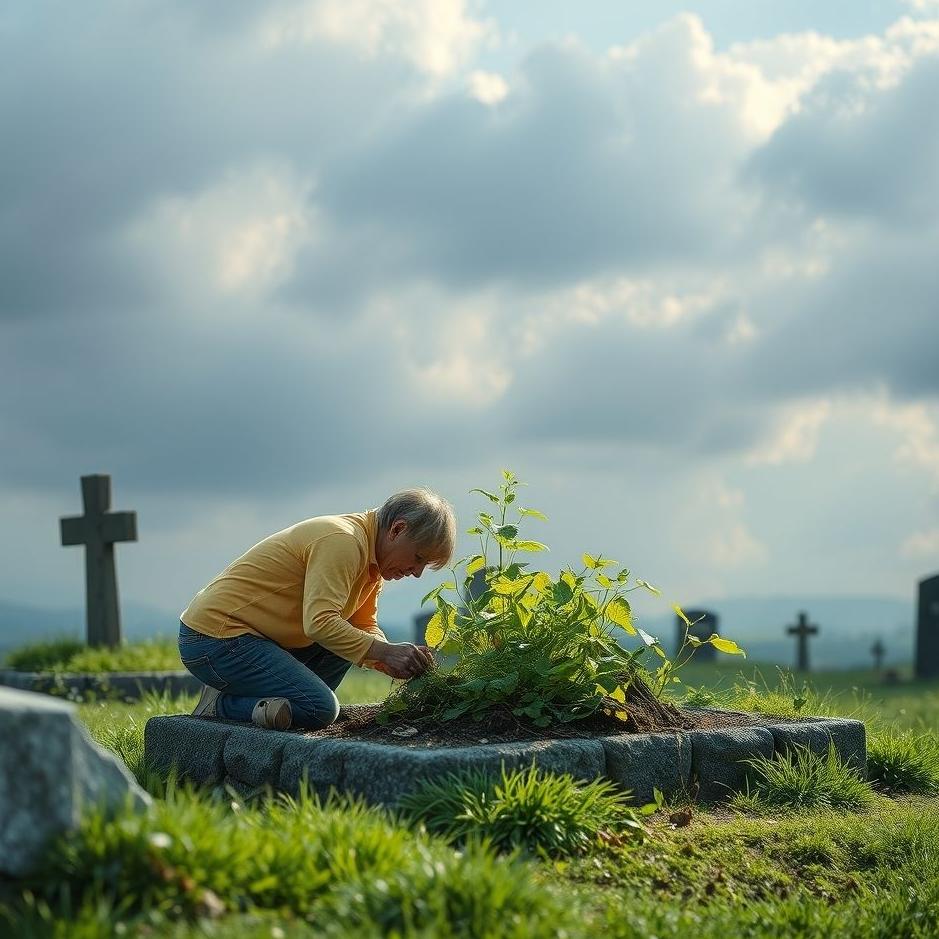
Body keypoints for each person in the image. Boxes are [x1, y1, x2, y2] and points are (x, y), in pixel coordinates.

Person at [177, 488, 456, 730]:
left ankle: (286, 702)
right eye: (418, 558)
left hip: (256, 640)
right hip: (214, 639)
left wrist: (388, 658)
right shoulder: (343, 542)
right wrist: (385, 652)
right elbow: (319, 623)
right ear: (397, 529)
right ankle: (222, 705)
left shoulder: (371, 561)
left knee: (349, 646)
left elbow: (362, 625)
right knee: (319, 709)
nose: (417, 573)